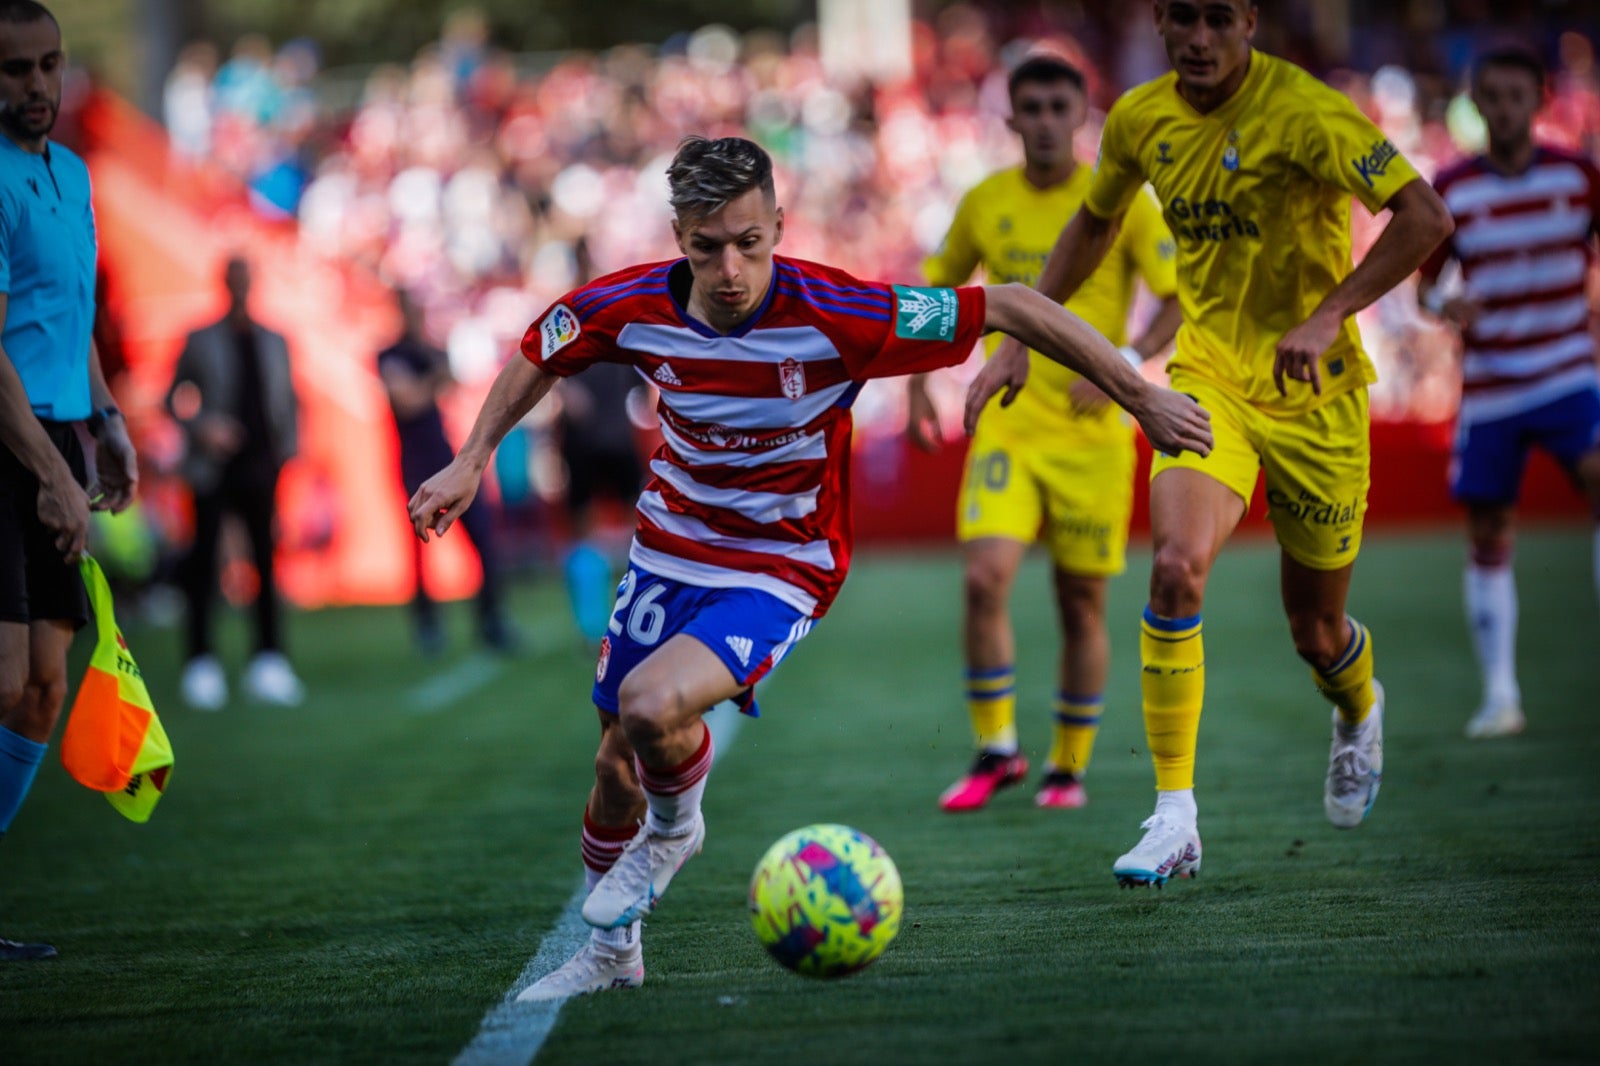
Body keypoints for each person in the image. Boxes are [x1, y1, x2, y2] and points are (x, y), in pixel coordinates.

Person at [409, 135, 1211, 998]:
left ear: (779, 228)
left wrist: (1142, 394)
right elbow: (542, 346)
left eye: (749, 243)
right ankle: (614, 958)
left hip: (782, 562)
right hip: (669, 548)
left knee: (650, 709)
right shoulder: (627, 304)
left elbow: (1012, 303)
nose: (728, 268)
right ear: (677, 234)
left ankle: (676, 832)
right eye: (706, 245)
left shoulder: (842, 312)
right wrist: (472, 458)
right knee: (613, 764)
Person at [967, 0, 1453, 886]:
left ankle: (1356, 704)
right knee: (1175, 568)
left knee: (1315, 629)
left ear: (1251, 23)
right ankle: (1174, 815)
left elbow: (1424, 216)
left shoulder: (1307, 112)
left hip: (1316, 395)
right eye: (1181, 19)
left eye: (1216, 19)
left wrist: (1329, 313)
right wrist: (1013, 343)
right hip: (1207, 378)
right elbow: (1093, 225)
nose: (1198, 38)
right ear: (1157, 22)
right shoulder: (1144, 118)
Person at [908, 54, 1181, 813]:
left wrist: (1122, 367)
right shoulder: (985, 200)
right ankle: (998, 749)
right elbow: (935, 291)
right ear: (1013, 118)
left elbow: (1173, 301)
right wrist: (917, 382)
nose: (1047, 122)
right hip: (1010, 423)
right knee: (982, 577)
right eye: (1033, 108)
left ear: (1081, 115)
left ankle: (1067, 768)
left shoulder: (1123, 203)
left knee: (1079, 605)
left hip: (1093, 436)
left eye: (1062, 107)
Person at [0, 0, 138, 960]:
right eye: (15, 70)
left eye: (49, 65)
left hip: (62, 435)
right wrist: (50, 471)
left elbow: (71, 313)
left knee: (44, 690)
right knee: (5, 674)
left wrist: (109, 423)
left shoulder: (74, 172)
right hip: (7, 448)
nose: (38, 85)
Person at [1417, 45, 1600, 740]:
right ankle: (1501, 695)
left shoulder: (1579, 177)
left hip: (1565, 369)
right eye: (1490, 96)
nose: (1503, 109)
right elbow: (1425, 283)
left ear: (1539, 99)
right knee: (1489, 528)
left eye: (1515, 95)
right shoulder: (1454, 187)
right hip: (1492, 384)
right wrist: (1445, 306)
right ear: (1476, 103)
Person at [166, 256, 303, 710]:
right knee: (203, 562)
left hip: (261, 465)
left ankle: (268, 660)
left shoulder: (274, 339)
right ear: (224, 283)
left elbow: (287, 398)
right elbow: (173, 398)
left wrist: (287, 450)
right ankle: (201, 663)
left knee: (265, 560)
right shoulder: (201, 338)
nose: (242, 287)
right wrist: (203, 426)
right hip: (212, 467)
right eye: (235, 279)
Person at [377, 286, 516, 655]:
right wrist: (432, 380)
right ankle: (428, 627)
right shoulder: (391, 355)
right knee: (419, 550)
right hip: (413, 463)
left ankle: (491, 619)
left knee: (482, 538)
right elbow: (407, 401)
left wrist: (434, 378)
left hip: (443, 457)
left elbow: (450, 381)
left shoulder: (423, 352)